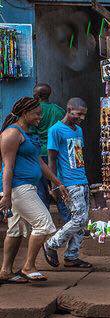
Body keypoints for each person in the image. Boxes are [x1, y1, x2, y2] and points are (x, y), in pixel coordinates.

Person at [0, 97, 69, 283]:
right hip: (18, 188)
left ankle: (5, 271)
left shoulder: (27, 133)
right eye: (37, 114)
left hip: (26, 187)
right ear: (25, 113)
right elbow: (7, 168)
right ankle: (29, 266)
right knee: (44, 224)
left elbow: (38, 162)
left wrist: (57, 182)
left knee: (15, 231)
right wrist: (6, 195)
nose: (40, 117)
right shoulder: (11, 134)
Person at [42, 98, 92, 269]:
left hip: (82, 180)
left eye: (84, 115)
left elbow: (78, 157)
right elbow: (52, 161)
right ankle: (51, 244)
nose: (81, 118)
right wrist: (54, 185)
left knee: (82, 221)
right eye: (78, 114)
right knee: (79, 219)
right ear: (69, 109)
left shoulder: (78, 130)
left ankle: (72, 256)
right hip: (68, 183)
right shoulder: (55, 130)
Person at [32, 84, 66, 208]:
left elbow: (30, 134)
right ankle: (66, 219)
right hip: (56, 153)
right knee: (58, 185)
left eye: (34, 93)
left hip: (40, 154)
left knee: (41, 190)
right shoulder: (59, 111)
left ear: (38, 95)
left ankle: (44, 219)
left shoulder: (34, 112)